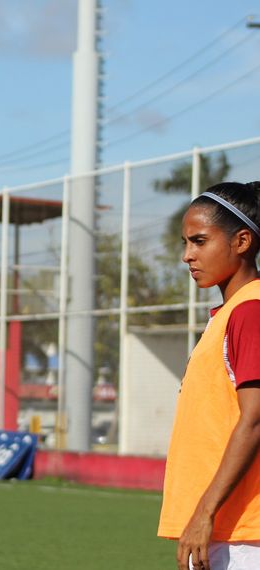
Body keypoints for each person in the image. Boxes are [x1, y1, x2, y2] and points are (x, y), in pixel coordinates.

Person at [158, 181, 260, 570]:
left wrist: (204, 512)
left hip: (243, 537)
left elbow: (254, 419)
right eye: (185, 243)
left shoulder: (250, 311)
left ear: (242, 241)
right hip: (226, 532)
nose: (187, 255)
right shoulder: (230, 314)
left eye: (199, 241)